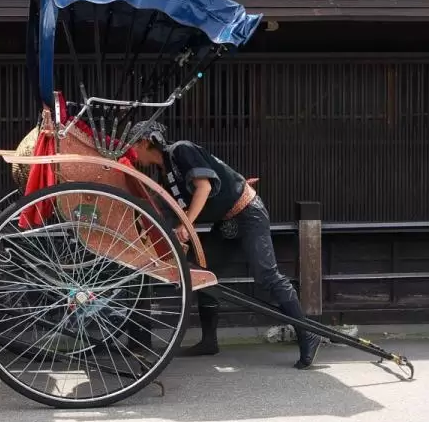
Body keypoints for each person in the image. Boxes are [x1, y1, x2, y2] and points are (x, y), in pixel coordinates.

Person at [132, 123, 322, 369]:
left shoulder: (181, 151)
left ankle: (307, 333)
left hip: (248, 212)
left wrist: (186, 225)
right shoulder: (165, 172)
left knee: (267, 275)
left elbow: (204, 186)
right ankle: (209, 341)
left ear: (147, 141)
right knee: (204, 270)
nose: (133, 151)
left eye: (135, 144)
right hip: (228, 220)